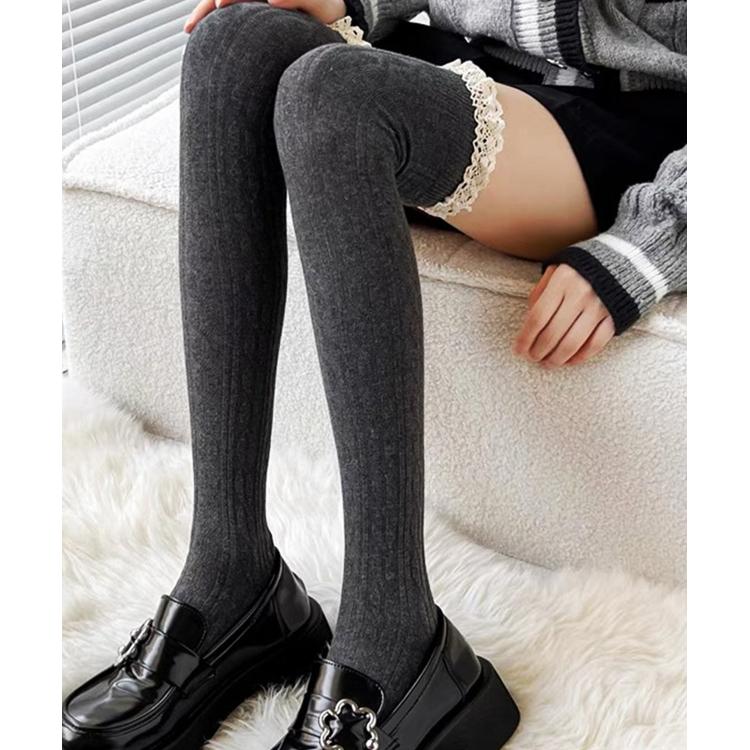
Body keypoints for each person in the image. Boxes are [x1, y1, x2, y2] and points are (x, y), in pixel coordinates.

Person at [62, 1, 687, 748]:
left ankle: (393, 632)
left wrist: (654, 241)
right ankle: (231, 572)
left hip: (629, 117)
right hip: (471, 65)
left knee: (333, 100)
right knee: (231, 47)